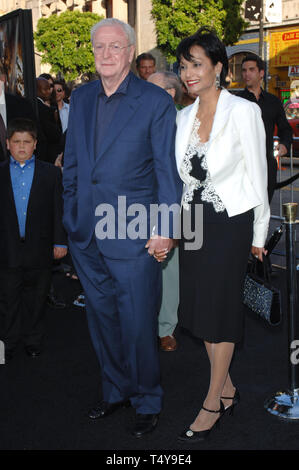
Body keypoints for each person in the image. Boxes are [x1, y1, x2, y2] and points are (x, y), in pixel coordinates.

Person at [62, 18, 181, 437]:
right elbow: (73, 164)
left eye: (115, 47)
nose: (107, 54)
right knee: (102, 320)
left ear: (130, 52)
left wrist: (165, 228)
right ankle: (115, 390)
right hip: (87, 233)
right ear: (92, 52)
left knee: (136, 322)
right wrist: (69, 216)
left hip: (134, 234)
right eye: (99, 47)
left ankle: (147, 399)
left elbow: (168, 173)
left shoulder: (154, 102)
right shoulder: (81, 97)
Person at [174, 28, 270, 442]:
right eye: (183, 66)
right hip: (193, 222)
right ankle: (228, 388)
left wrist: (260, 234)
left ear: (217, 67)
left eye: (196, 64)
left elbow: (259, 175)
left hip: (231, 221)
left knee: (221, 309)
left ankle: (212, 400)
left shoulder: (243, 111)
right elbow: (182, 182)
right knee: (199, 309)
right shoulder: (182, 117)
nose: (188, 73)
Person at [0, 118, 67, 362]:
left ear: (35, 145)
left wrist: (60, 242)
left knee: (37, 296)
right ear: (7, 144)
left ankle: (33, 340)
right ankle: (9, 340)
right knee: (8, 297)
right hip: (7, 247)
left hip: (40, 246)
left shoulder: (50, 174)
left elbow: (58, 210)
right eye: (16, 142)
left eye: (26, 142)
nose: (21, 147)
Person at [147, 71, 182, 352]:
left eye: (152, 88)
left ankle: (166, 328)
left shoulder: (186, 118)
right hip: (138, 202)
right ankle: (141, 325)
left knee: (170, 268)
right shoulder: (138, 114)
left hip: (176, 203)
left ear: (170, 93)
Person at [238, 53, 293, 202]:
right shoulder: (236, 101)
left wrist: (284, 145)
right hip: (241, 166)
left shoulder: (273, 101)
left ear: (261, 73)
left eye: (251, 69)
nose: (246, 74)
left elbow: (286, 129)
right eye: (243, 70)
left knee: (264, 210)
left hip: (267, 165)